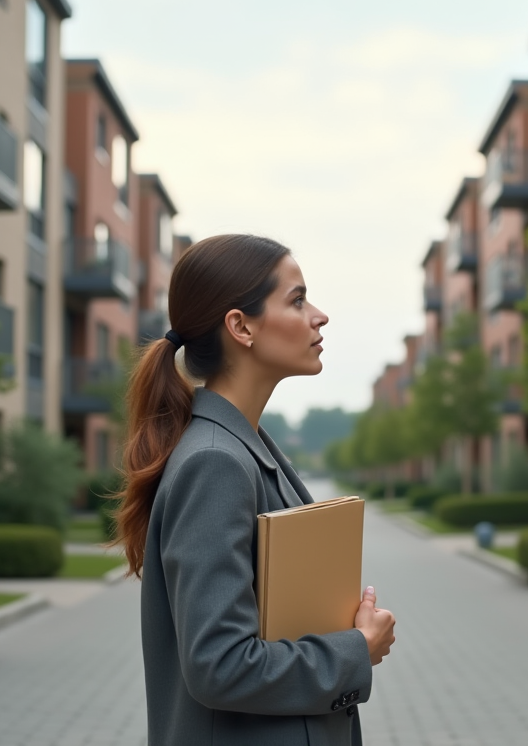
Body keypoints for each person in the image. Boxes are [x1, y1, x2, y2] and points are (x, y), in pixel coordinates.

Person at [112, 234, 396, 745]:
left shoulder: (238, 448)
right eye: (297, 300)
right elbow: (219, 664)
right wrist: (356, 649)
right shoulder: (216, 463)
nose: (320, 316)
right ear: (240, 326)